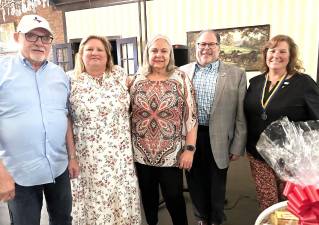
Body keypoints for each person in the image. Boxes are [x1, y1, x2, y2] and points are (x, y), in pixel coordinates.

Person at [0, 14, 79, 225]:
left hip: (58, 168)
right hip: (19, 173)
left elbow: (65, 117)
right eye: (31, 36)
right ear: (18, 38)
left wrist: (72, 156)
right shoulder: (2, 71)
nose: (39, 43)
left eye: (45, 38)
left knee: (63, 219)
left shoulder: (60, 75)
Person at [67, 35, 141, 225]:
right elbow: (65, 120)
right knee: (94, 204)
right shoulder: (69, 81)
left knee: (121, 203)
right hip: (88, 158)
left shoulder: (119, 74)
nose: (94, 53)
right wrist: (72, 157)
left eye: (100, 49)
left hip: (120, 158)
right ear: (80, 55)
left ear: (107, 55)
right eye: (89, 49)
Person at [244, 34, 319, 211]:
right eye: (272, 50)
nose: (276, 55)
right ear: (265, 54)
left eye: (282, 51)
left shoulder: (303, 83)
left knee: (288, 202)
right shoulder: (255, 83)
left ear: (290, 56)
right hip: (258, 153)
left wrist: (296, 135)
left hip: (291, 157)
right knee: (267, 200)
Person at [180, 30, 247, 225]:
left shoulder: (236, 74)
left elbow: (240, 114)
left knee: (217, 183)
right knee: (194, 180)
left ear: (219, 48)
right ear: (196, 47)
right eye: (202, 44)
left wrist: (237, 146)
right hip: (190, 138)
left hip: (220, 138)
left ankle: (216, 219)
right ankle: (201, 217)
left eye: (211, 44)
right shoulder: (182, 72)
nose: (206, 48)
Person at [130, 34, 198, 225]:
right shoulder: (137, 79)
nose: (158, 55)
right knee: (148, 200)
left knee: (174, 199)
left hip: (172, 155)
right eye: (154, 50)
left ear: (170, 55)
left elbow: (191, 116)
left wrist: (190, 150)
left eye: (163, 51)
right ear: (147, 53)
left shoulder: (180, 78)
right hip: (141, 154)